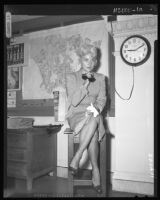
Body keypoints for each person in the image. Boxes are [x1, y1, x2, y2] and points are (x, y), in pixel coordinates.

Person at [65, 43, 107, 194]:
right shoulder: (71, 77)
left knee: (95, 118)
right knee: (94, 123)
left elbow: (102, 99)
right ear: (80, 60)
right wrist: (86, 84)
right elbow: (74, 101)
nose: (89, 63)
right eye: (86, 59)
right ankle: (96, 171)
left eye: (92, 60)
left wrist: (96, 109)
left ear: (96, 61)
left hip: (93, 112)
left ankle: (77, 157)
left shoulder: (101, 78)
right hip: (76, 114)